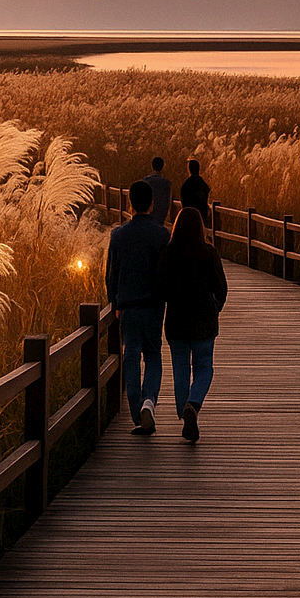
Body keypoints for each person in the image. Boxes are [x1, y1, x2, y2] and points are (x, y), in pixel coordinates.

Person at [106, 180, 171, 435]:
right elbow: (166, 273)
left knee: (130, 357)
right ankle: (149, 401)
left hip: (129, 307)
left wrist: (114, 302)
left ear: (130, 204)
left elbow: (111, 273)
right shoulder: (162, 235)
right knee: (153, 355)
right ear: (152, 203)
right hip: (154, 306)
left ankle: (136, 412)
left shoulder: (119, 235)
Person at [159, 207, 228, 443]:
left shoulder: (169, 253)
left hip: (177, 319)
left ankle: (183, 410)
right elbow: (221, 288)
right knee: (204, 368)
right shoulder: (209, 252)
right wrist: (214, 307)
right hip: (204, 320)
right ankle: (193, 404)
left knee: (180, 368)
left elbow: (161, 287)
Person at [179, 159, 211, 230]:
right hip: (201, 218)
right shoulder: (203, 184)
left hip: (188, 217)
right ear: (199, 169)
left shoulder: (186, 184)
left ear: (189, 170)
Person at [145, 157, 172, 226]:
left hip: (147, 219)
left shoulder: (146, 181)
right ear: (162, 167)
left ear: (152, 167)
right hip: (160, 219)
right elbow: (167, 203)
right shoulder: (167, 184)